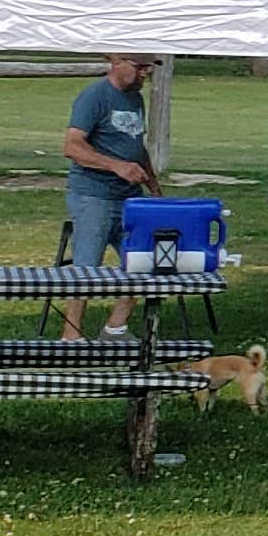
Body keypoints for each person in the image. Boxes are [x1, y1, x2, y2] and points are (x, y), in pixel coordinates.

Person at [60, 54, 154, 338]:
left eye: (148, 69)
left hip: (130, 198)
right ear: (117, 63)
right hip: (93, 195)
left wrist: (154, 189)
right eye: (139, 68)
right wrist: (116, 166)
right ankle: (71, 335)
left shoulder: (135, 99)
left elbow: (136, 146)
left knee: (146, 259)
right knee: (87, 269)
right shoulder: (94, 97)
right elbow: (72, 147)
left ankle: (116, 327)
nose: (145, 75)